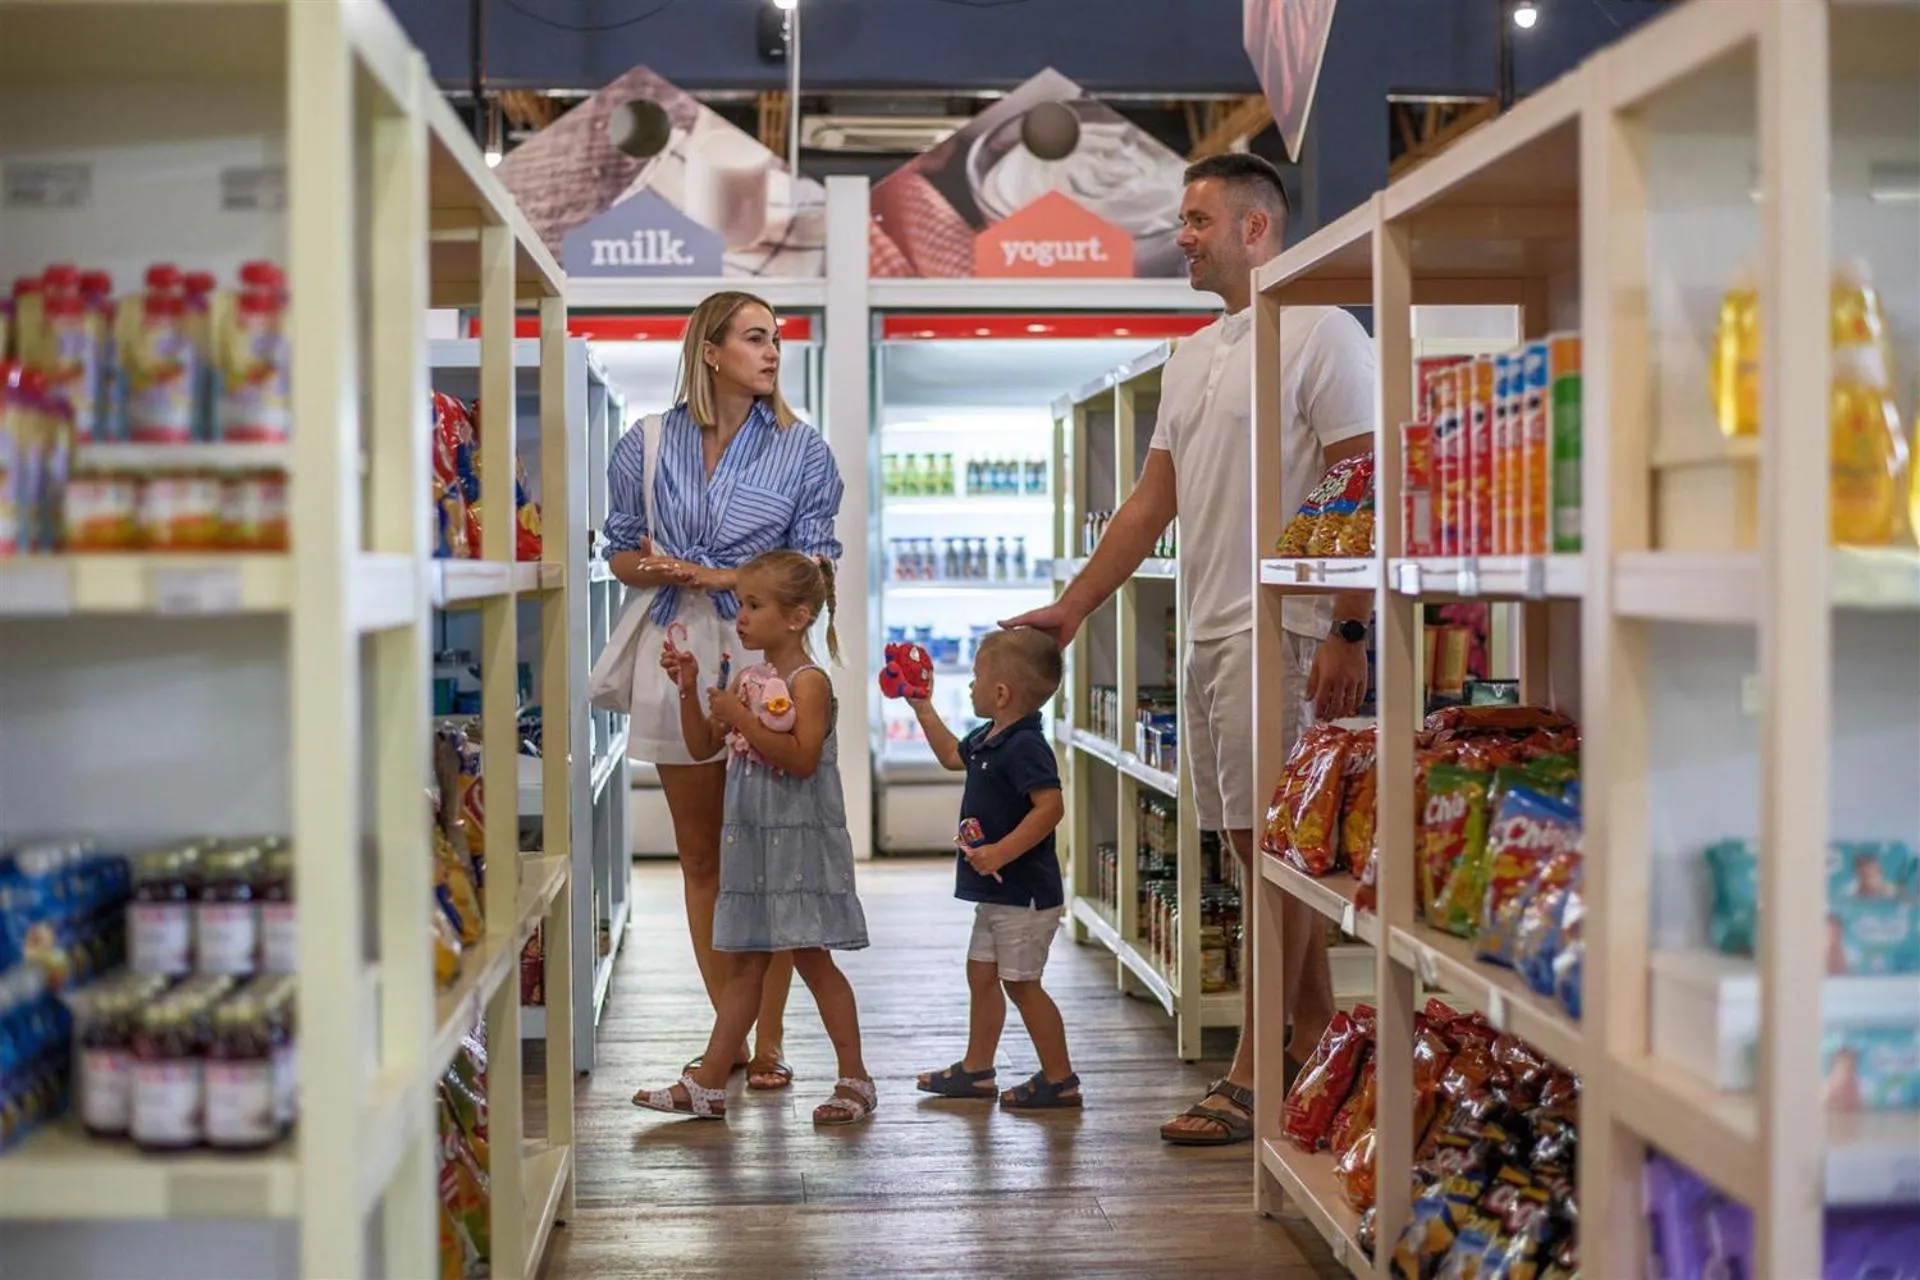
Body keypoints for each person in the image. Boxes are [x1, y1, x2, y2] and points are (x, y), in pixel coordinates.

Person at [1002, 152, 1376, 1146]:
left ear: (1259, 227)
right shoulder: (1193, 354)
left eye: (1200, 218)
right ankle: (1318, 1055)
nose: (1185, 234)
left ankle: (1254, 1077)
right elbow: (1149, 503)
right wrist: (1074, 607)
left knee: (1274, 862)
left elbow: (1362, 476)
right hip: (1213, 629)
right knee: (1263, 856)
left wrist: (1348, 624)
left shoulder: (1324, 333)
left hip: (1286, 630)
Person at [604, 291, 845, 1093]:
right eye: (754, 338)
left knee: (763, 856)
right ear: (710, 351)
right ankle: (729, 1038)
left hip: (761, 650)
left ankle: (768, 1042)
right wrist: (663, 569)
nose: (772, 352)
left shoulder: (804, 451)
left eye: (776, 339)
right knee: (702, 853)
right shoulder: (642, 442)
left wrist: (720, 576)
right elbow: (619, 554)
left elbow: (813, 569)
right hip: (675, 647)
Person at [631, 550, 876, 1125]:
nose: (740, 616)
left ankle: (856, 1078)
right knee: (744, 965)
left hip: (798, 846)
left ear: (798, 617)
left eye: (754, 605)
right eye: (740, 603)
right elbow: (700, 747)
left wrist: (742, 719)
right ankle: (709, 1083)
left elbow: (800, 757)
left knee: (814, 960)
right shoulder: (745, 679)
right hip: (756, 845)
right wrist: (691, 689)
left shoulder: (808, 683)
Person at [908, 628, 1080, 1109]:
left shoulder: (1026, 746)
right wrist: (922, 706)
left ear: (1001, 694)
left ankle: (1060, 1078)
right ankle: (977, 1069)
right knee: (981, 974)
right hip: (997, 893)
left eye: (977, 677)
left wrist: (1002, 851)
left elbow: (1050, 807)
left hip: (1024, 893)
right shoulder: (991, 736)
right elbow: (949, 756)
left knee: (1022, 984)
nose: (970, 685)